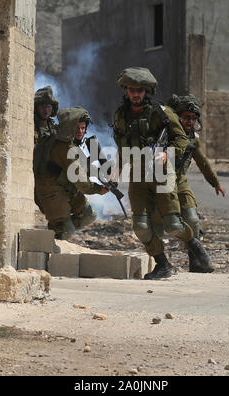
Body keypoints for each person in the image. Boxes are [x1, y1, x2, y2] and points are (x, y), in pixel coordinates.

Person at [112, 67, 213, 280]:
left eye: (140, 90)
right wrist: (118, 166)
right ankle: (162, 264)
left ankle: (193, 242)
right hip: (138, 177)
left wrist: (168, 154)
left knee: (174, 225)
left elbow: (181, 139)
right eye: (132, 89)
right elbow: (122, 142)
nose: (136, 94)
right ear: (126, 90)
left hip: (162, 174)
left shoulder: (162, 112)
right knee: (140, 227)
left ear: (146, 91)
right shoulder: (121, 115)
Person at [168, 94, 225, 272]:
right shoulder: (166, 134)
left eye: (193, 118)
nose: (190, 121)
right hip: (162, 181)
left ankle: (195, 262)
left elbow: (202, 161)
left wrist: (215, 182)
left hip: (180, 180)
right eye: (186, 117)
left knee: (192, 219)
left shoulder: (193, 138)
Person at [34, 107, 108, 240]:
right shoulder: (65, 147)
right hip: (52, 194)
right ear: (69, 127)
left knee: (89, 214)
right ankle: (57, 233)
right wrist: (99, 189)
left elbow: (83, 165)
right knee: (67, 232)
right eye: (77, 128)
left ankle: (59, 230)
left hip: (66, 189)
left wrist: (101, 174)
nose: (80, 132)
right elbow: (82, 183)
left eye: (83, 128)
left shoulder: (67, 143)